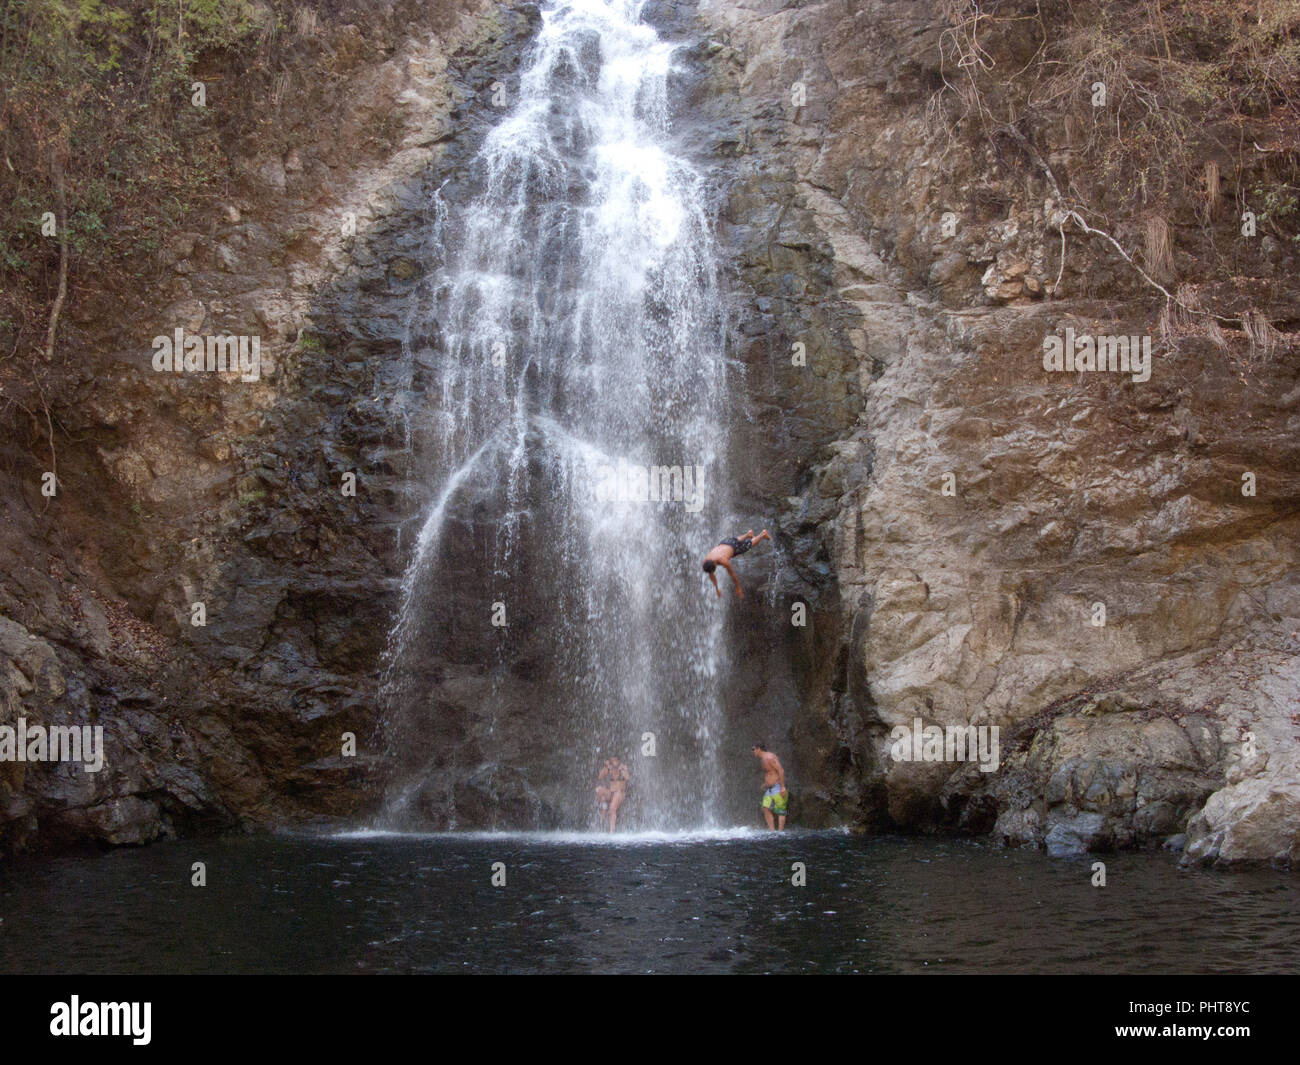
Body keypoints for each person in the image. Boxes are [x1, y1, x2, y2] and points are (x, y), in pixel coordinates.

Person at [702, 529, 771, 599]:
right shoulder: (707, 561)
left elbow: (732, 575)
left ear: (715, 564)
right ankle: (748, 534)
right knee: (735, 540)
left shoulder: (723, 561)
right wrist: (716, 588)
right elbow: (711, 574)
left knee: (749, 545)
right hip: (725, 542)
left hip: (733, 547)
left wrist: (738, 587)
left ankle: (762, 534)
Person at [753, 742, 787, 830]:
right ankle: (772, 831)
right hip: (770, 789)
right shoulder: (763, 759)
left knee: (780, 810)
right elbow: (770, 774)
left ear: (758, 749)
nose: (752, 752)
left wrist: (782, 787)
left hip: (777, 787)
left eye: (753, 749)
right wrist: (765, 784)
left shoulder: (770, 757)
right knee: (765, 807)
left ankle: (780, 833)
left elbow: (781, 770)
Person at [606, 757, 630, 832]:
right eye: (612, 761)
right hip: (611, 792)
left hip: (619, 792)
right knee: (599, 791)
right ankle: (604, 822)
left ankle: (611, 831)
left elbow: (627, 778)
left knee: (612, 809)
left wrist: (624, 770)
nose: (614, 762)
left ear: (618, 761)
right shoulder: (609, 769)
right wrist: (606, 767)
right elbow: (600, 776)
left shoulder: (622, 769)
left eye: (615, 760)